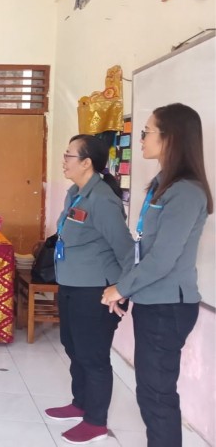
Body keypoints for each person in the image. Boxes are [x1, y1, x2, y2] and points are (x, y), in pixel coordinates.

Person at [102, 103, 212, 447]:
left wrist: (122, 287)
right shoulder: (162, 184)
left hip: (169, 307)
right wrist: (125, 289)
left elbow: (163, 259)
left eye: (147, 131)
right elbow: (143, 247)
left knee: (157, 393)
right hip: (153, 301)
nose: (141, 138)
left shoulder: (186, 192)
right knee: (151, 389)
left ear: (170, 137)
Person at [43, 135, 134, 444]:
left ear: (86, 163)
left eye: (69, 155)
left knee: (92, 355)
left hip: (96, 290)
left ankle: (96, 422)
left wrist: (122, 289)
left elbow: (125, 249)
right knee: (72, 346)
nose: (64, 160)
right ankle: (80, 403)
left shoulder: (102, 200)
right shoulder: (75, 194)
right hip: (71, 283)